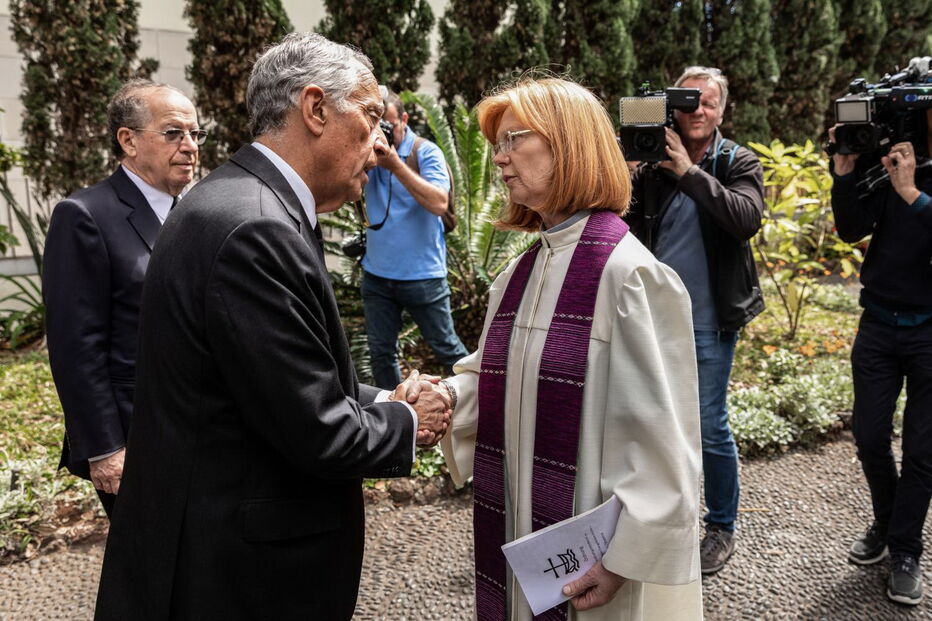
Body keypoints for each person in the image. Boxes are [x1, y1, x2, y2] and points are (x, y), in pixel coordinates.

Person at [93, 33, 450, 621]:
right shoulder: (257, 228)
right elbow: (318, 429)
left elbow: (273, 375)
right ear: (315, 110)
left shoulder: (235, 200)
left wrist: (382, 395)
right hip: (238, 576)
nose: (380, 140)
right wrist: (410, 418)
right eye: (368, 116)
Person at [435, 76, 703, 620]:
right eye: (497, 145)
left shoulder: (628, 278)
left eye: (515, 140)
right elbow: (496, 378)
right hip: (528, 542)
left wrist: (623, 560)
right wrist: (439, 400)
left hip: (595, 563)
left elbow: (663, 443)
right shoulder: (517, 274)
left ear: (569, 144)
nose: (499, 159)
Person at [624, 66, 765, 574]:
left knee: (709, 425)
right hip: (653, 317)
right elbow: (619, 221)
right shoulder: (652, 168)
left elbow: (745, 218)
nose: (698, 111)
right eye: (688, 103)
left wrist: (687, 171)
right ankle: (665, 517)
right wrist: (630, 170)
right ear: (674, 111)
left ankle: (721, 526)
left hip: (708, 320)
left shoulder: (735, 161)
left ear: (722, 110)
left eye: (707, 103)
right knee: (654, 421)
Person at [43, 79, 201, 518]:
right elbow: (76, 347)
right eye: (174, 133)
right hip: (136, 435)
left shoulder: (198, 210)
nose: (190, 146)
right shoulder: (85, 215)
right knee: (153, 571)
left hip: (203, 428)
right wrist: (104, 447)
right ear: (128, 140)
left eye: (195, 133)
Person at [830, 108, 932, 606]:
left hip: (930, 330)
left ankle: (906, 551)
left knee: (922, 450)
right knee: (869, 436)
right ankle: (889, 523)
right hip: (878, 324)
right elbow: (851, 229)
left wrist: (911, 193)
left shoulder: (909, 175)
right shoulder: (889, 158)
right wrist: (846, 174)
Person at [362, 89, 468, 388]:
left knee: (449, 351)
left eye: (389, 125)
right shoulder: (364, 152)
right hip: (377, 275)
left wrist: (395, 164)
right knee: (381, 355)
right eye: (375, 126)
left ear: (404, 119)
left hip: (423, 277)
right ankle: (394, 419)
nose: (383, 133)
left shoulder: (426, 152)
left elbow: (439, 203)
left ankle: (480, 410)